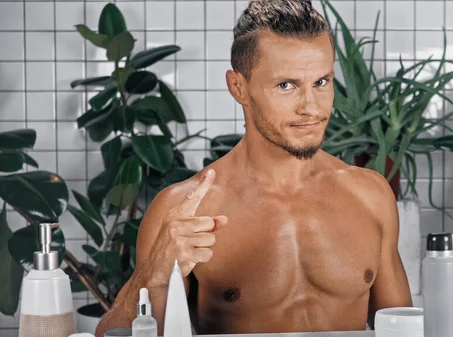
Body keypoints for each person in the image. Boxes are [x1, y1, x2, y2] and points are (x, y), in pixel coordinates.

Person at [95, 1, 412, 336]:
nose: (311, 107)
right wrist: (154, 274)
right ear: (239, 87)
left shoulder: (370, 195)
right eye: (286, 85)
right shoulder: (184, 210)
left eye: (321, 82)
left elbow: (406, 329)